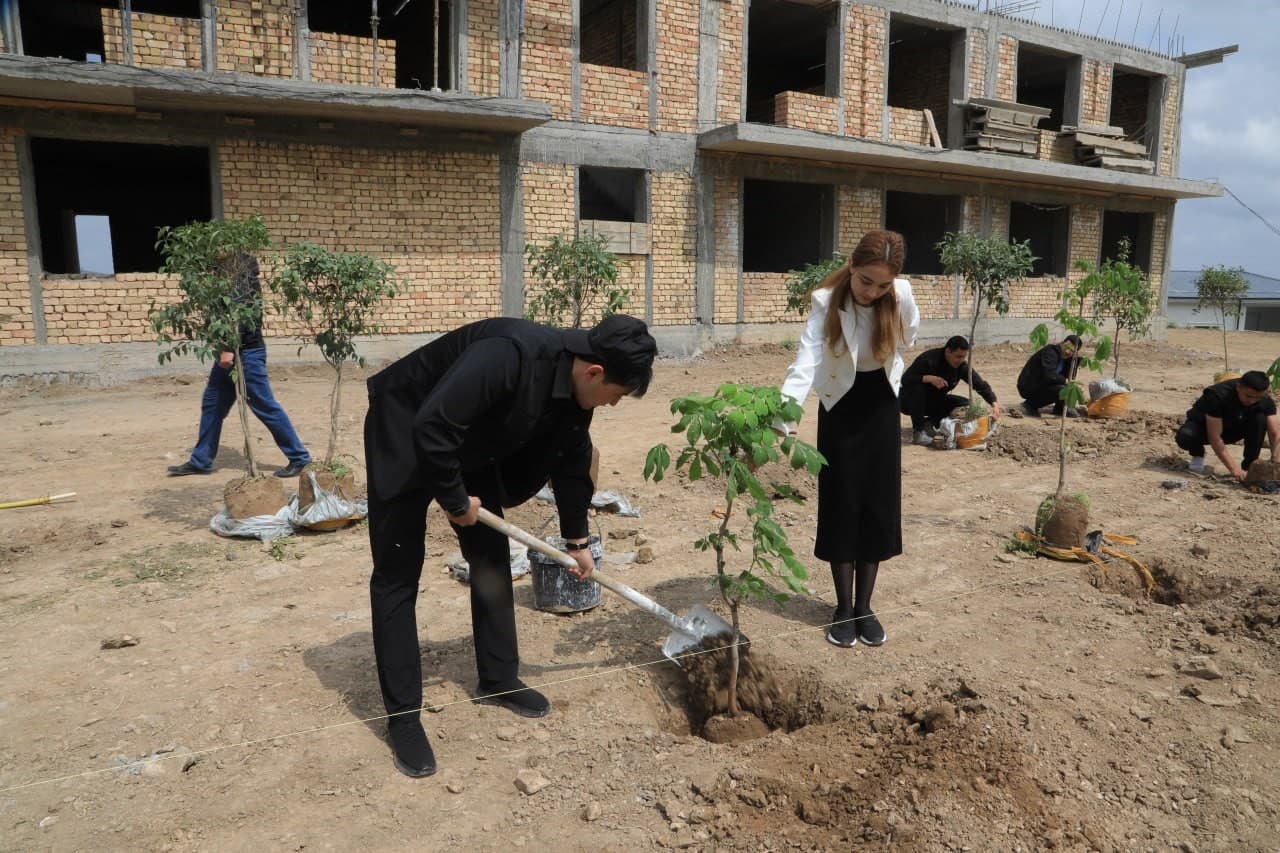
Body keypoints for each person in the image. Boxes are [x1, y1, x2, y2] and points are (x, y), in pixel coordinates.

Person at [363, 313, 656, 778]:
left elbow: (572, 458)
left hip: (467, 437)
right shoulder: (510, 354)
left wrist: (577, 538)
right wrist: (454, 498)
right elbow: (433, 424)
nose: (613, 405)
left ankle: (498, 678)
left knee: (489, 558)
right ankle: (403, 718)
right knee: (399, 571)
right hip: (405, 422)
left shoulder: (576, 389)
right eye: (616, 396)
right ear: (594, 371)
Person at [776, 229, 919, 649]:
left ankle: (865, 607)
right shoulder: (826, 303)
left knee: (876, 503)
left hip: (881, 408)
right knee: (842, 503)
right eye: (865, 281)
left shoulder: (901, 295)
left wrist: (891, 328)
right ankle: (842, 608)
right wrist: (781, 421)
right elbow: (805, 364)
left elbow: (910, 336)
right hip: (839, 408)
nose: (873, 292)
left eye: (883, 285)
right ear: (852, 266)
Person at [167, 255, 311, 477]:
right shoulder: (230, 279)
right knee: (213, 404)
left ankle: (299, 458)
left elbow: (240, 319)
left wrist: (228, 348)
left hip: (245, 354)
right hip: (230, 352)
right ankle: (201, 460)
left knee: (264, 406)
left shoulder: (241, 279)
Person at [1174, 370, 1278, 480]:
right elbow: (1214, 437)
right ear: (1238, 387)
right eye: (1249, 396)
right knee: (1186, 436)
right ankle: (1198, 454)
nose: (1252, 401)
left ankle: (1249, 466)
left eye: (1258, 397)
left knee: (1260, 419)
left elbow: (1275, 433)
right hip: (1203, 428)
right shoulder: (1217, 395)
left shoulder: (1264, 399)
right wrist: (1234, 469)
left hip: (1233, 428)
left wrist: (1276, 462)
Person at [899, 335, 1002, 445]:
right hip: (909, 401)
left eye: (963, 357)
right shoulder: (929, 359)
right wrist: (928, 378)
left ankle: (930, 423)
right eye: (958, 356)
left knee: (964, 403)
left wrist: (994, 403)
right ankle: (918, 432)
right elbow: (906, 379)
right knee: (917, 387)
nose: (961, 360)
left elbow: (979, 384)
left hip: (933, 401)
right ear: (948, 351)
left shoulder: (961, 366)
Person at [1016, 334, 1084, 418]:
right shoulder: (1050, 352)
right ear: (1062, 343)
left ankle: (1060, 408)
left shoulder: (1067, 359)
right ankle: (1030, 405)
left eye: (1072, 351)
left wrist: (1075, 362)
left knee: (1068, 387)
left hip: (1044, 384)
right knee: (1062, 388)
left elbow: (1070, 378)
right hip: (1029, 385)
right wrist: (1066, 382)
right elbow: (1049, 375)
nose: (1067, 352)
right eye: (1067, 347)